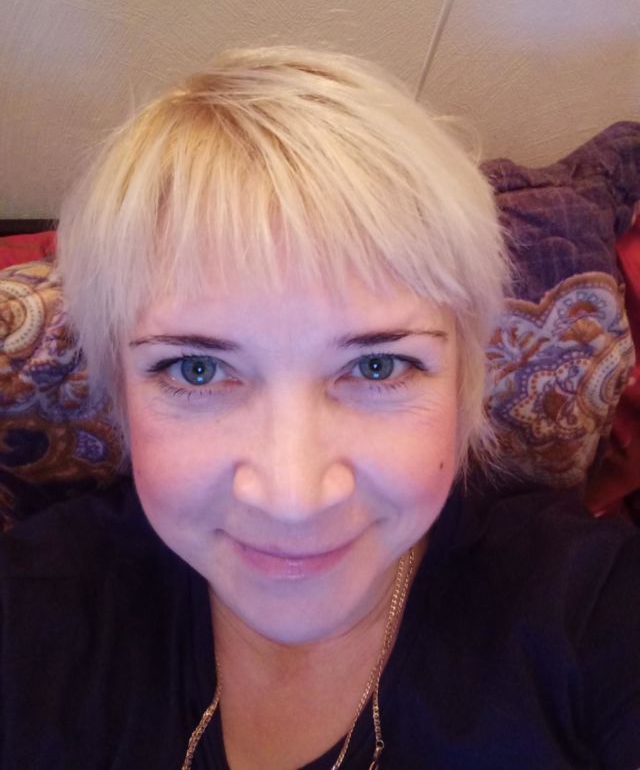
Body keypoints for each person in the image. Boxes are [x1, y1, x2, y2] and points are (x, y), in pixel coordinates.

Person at [1, 46, 639, 770]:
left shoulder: (591, 610)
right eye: (197, 369)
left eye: (376, 365)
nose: (293, 497)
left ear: (465, 379)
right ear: (120, 392)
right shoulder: (31, 616)